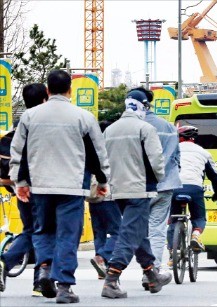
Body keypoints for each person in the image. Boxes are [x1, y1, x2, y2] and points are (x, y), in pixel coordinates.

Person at [9, 70, 110, 303]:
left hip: (40, 185)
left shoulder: (30, 116)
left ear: (47, 90)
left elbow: (19, 151)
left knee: (43, 230)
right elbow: (98, 152)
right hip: (72, 187)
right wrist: (103, 181)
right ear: (70, 90)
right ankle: (64, 286)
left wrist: (20, 181)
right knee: (67, 235)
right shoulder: (83, 117)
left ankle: (44, 268)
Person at [100, 90, 172, 299]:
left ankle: (152, 274)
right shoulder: (145, 128)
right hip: (140, 188)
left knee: (138, 230)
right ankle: (112, 278)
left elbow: (103, 158)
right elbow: (156, 160)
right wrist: (158, 179)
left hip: (117, 188)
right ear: (143, 106)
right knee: (131, 232)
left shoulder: (110, 130)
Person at [0, 83, 47, 296]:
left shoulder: (17, 126)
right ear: (45, 98)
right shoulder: (43, 124)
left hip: (20, 188)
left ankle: (9, 264)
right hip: (42, 186)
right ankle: (40, 280)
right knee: (46, 231)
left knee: (32, 230)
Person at [138, 87, 183, 276]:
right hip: (165, 184)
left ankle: (114, 267)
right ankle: (153, 269)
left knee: (135, 228)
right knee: (157, 229)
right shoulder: (169, 127)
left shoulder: (134, 126)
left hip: (138, 185)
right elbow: (176, 158)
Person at [166, 125, 217, 257]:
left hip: (173, 187)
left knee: (173, 219)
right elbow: (215, 176)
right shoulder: (203, 152)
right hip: (194, 188)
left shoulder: (171, 150)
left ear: (179, 138)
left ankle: (172, 252)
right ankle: (196, 234)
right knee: (199, 217)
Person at [88, 121, 122, 280]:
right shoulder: (110, 147)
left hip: (93, 196)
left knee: (99, 232)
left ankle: (101, 268)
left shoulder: (91, 146)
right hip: (108, 194)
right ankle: (101, 258)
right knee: (117, 231)